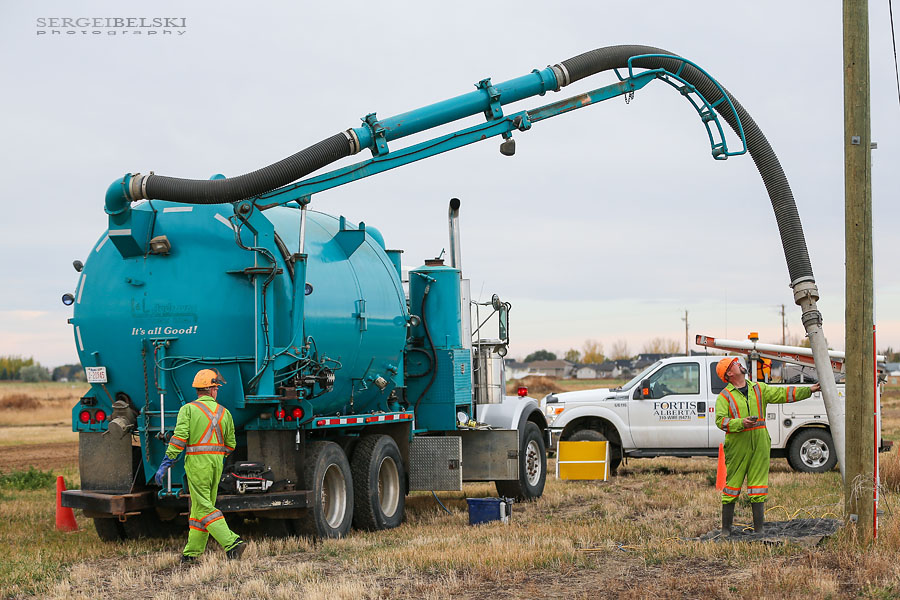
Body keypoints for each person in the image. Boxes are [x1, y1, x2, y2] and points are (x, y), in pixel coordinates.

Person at [714, 356, 821, 536]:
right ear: (729, 373)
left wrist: (809, 390)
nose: (740, 364)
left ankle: (759, 531)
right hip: (737, 444)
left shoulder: (759, 388)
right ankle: (726, 531)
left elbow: (784, 394)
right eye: (735, 364)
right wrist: (741, 423)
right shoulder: (725, 396)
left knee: (758, 485)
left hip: (760, 442)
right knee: (732, 486)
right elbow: (720, 421)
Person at [154, 368, 246, 562]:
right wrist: (215, 455)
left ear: (199, 390)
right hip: (216, 464)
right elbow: (231, 445)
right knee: (199, 508)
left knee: (203, 507)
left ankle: (232, 543)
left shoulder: (188, 409)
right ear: (212, 390)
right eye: (216, 388)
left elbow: (179, 439)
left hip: (197, 464)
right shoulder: (225, 413)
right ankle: (192, 552)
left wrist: (167, 461)